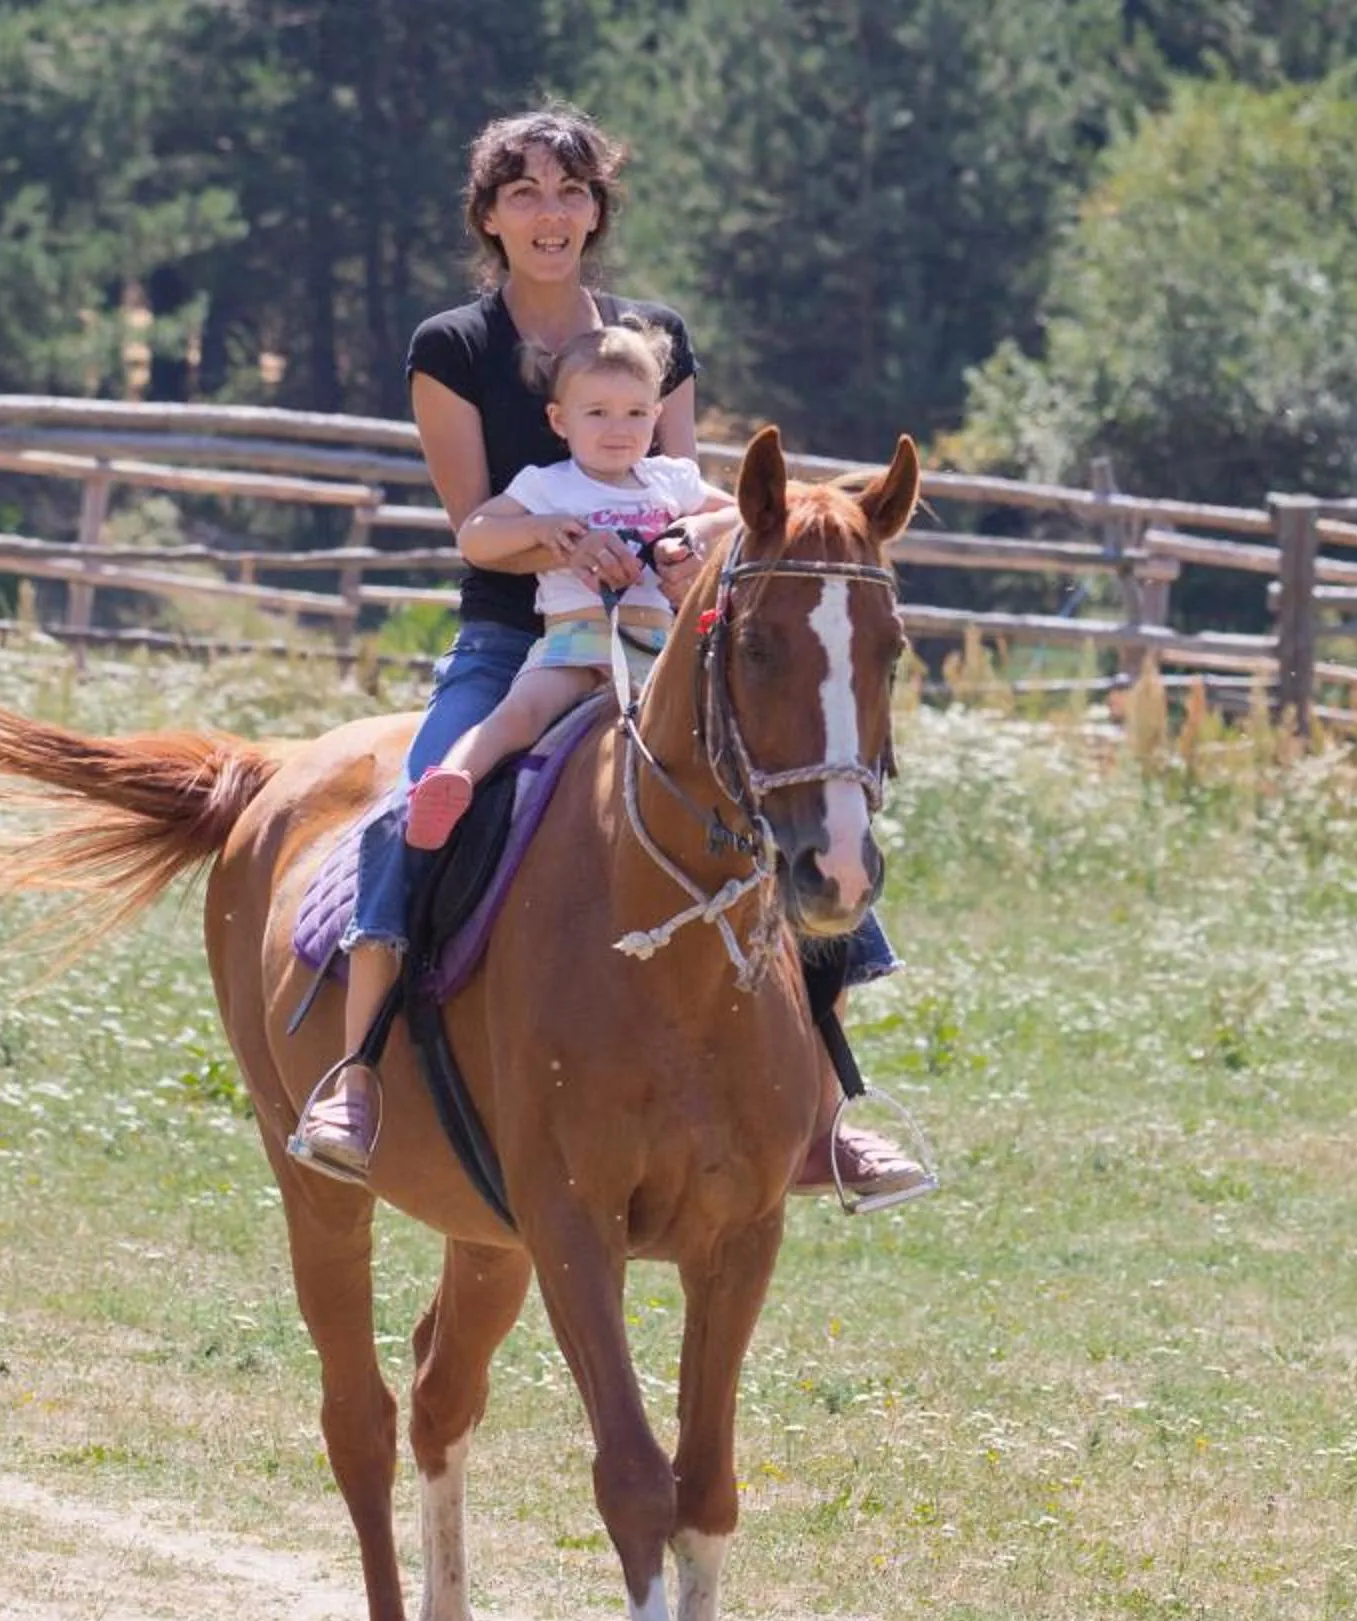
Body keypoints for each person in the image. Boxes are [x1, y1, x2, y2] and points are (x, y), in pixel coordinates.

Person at [291, 105, 926, 1204]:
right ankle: (356, 1076)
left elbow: (697, 496)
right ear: (489, 214)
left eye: (573, 191)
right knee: (409, 811)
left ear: (599, 209)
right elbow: (472, 519)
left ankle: (831, 1104)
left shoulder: (654, 336)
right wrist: (559, 535)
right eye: (526, 192)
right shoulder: (454, 348)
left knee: (801, 801)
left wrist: (690, 551)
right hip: (518, 633)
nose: (552, 213)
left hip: (665, 636)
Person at [403, 321, 732, 850]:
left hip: (659, 655)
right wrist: (541, 528)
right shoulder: (548, 484)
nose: (618, 428)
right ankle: (451, 782)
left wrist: (701, 528)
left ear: (656, 416)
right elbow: (476, 537)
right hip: (573, 645)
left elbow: (749, 518)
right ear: (560, 420)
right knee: (522, 713)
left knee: (724, 729)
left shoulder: (671, 480)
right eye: (597, 413)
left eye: (636, 413)